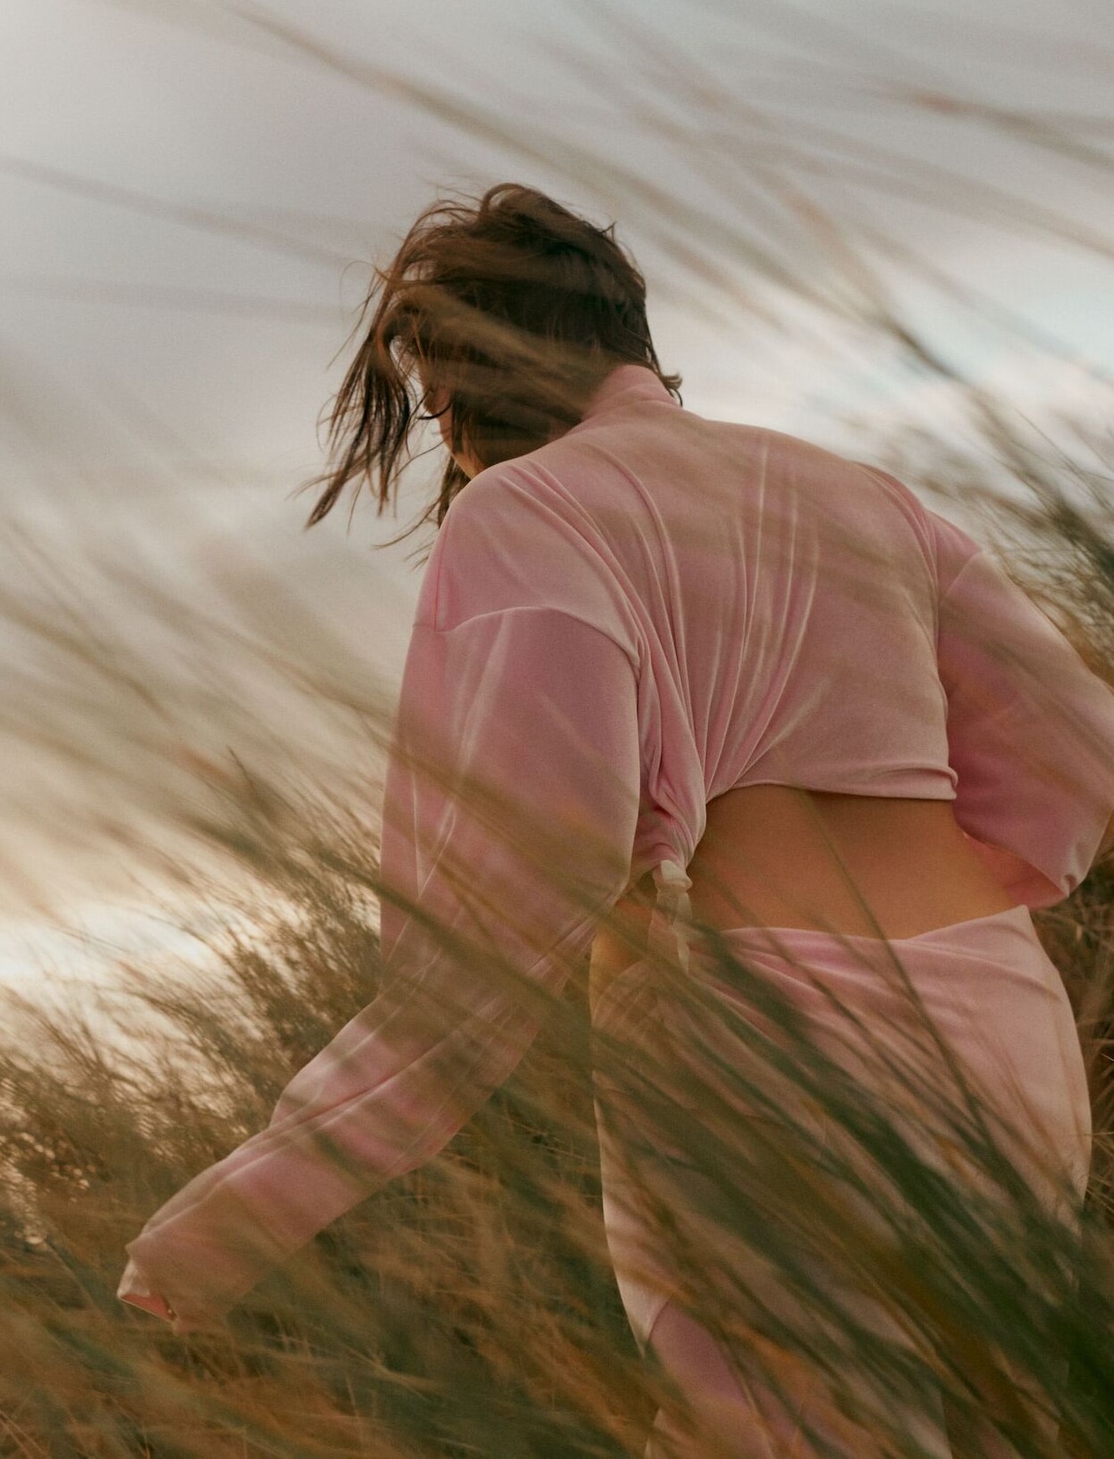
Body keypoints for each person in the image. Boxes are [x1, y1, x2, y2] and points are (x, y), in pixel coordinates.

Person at [117, 183, 1114, 1455]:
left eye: (435, 408)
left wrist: (227, 1226)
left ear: (482, 376)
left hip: (763, 1044)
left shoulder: (531, 515)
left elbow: (509, 904)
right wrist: (979, 864)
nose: (450, 446)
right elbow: (1080, 749)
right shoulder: (870, 499)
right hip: (997, 1021)